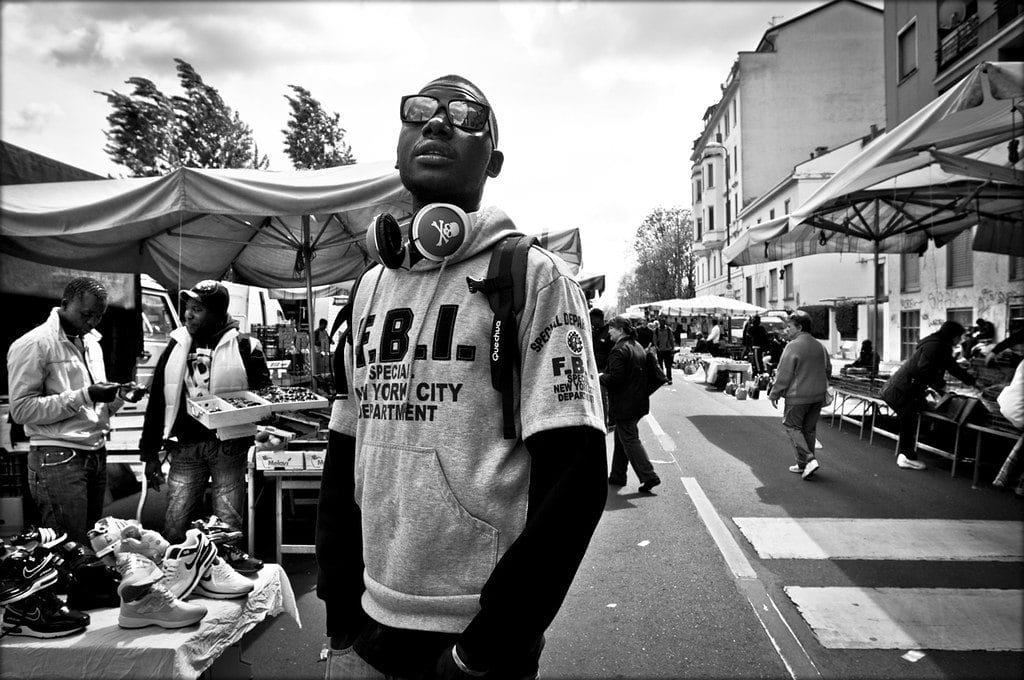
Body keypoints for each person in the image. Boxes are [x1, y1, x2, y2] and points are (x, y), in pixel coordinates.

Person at [315, 74, 607, 680]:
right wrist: (339, 605)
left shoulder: (535, 279)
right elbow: (344, 448)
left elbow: (576, 480)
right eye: (420, 110)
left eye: (467, 116)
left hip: (474, 640)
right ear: (400, 147)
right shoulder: (369, 287)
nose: (437, 122)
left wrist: (489, 646)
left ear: (493, 162)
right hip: (366, 622)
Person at [7, 277, 137, 545]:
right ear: (64, 304)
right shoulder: (34, 344)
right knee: (70, 547)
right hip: (58, 456)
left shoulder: (92, 343)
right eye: (86, 314)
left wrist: (120, 397)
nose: (92, 322)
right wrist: (85, 394)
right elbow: (21, 410)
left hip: (94, 452)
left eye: (98, 316)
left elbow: (91, 410)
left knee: (92, 544)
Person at [139, 280, 271, 543]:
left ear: (218, 313)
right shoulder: (176, 344)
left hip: (229, 447)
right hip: (185, 446)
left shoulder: (246, 346)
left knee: (226, 524)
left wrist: (265, 421)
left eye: (197, 309)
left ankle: (225, 566)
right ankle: (179, 565)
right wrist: (149, 452)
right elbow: (158, 400)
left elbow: (265, 397)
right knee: (176, 523)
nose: (188, 315)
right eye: (188, 308)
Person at [881, 320, 977, 470]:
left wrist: (971, 381)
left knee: (909, 421)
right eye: (959, 337)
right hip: (903, 390)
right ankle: (906, 457)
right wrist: (940, 385)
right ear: (953, 335)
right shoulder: (937, 346)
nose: (960, 340)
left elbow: (952, 367)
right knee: (909, 422)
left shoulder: (936, 344)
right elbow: (924, 369)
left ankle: (905, 455)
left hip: (901, 388)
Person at [768, 310, 831, 480]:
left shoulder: (793, 346)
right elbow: (828, 370)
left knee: (791, 426)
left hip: (798, 396)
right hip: (818, 396)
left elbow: (784, 373)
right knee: (809, 430)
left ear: (800, 327)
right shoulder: (820, 346)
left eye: (789, 326)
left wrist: (774, 393)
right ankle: (805, 464)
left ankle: (809, 459)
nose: (786, 330)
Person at [602, 316, 661, 493]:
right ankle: (618, 475)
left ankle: (649, 475)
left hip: (625, 403)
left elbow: (616, 378)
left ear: (620, 330)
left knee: (629, 438)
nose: (609, 332)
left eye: (611, 329)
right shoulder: (637, 346)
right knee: (621, 438)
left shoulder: (618, 350)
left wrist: (599, 377)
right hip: (638, 401)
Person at [653, 317, 676, 385]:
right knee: (660, 366)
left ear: (665, 322)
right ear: (659, 323)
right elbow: (654, 340)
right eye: (661, 322)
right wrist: (656, 347)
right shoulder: (656, 330)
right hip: (660, 350)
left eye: (663, 322)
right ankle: (662, 379)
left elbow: (671, 339)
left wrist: (673, 348)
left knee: (668, 366)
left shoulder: (668, 329)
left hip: (667, 350)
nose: (662, 323)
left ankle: (669, 379)